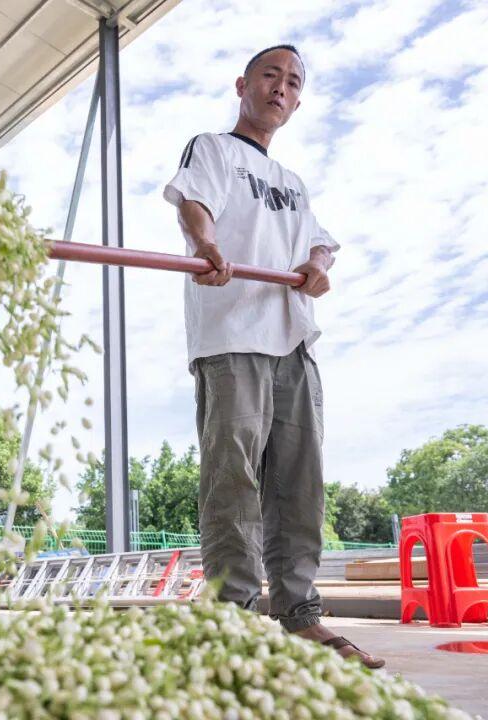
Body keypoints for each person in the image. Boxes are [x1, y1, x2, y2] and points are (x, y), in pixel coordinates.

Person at [163, 44, 384, 669]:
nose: (281, 88)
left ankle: (300, 616)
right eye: (270, 75)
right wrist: (205, 243)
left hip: (293, 341)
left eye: (293, 82)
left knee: (299, 482)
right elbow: (192, 202)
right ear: (243, 84)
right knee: (234, 479)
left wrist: (316, 267)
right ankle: (231, 619)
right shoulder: (212, 148)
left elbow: (320, 244)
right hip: (232, 336)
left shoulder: (293, 182)